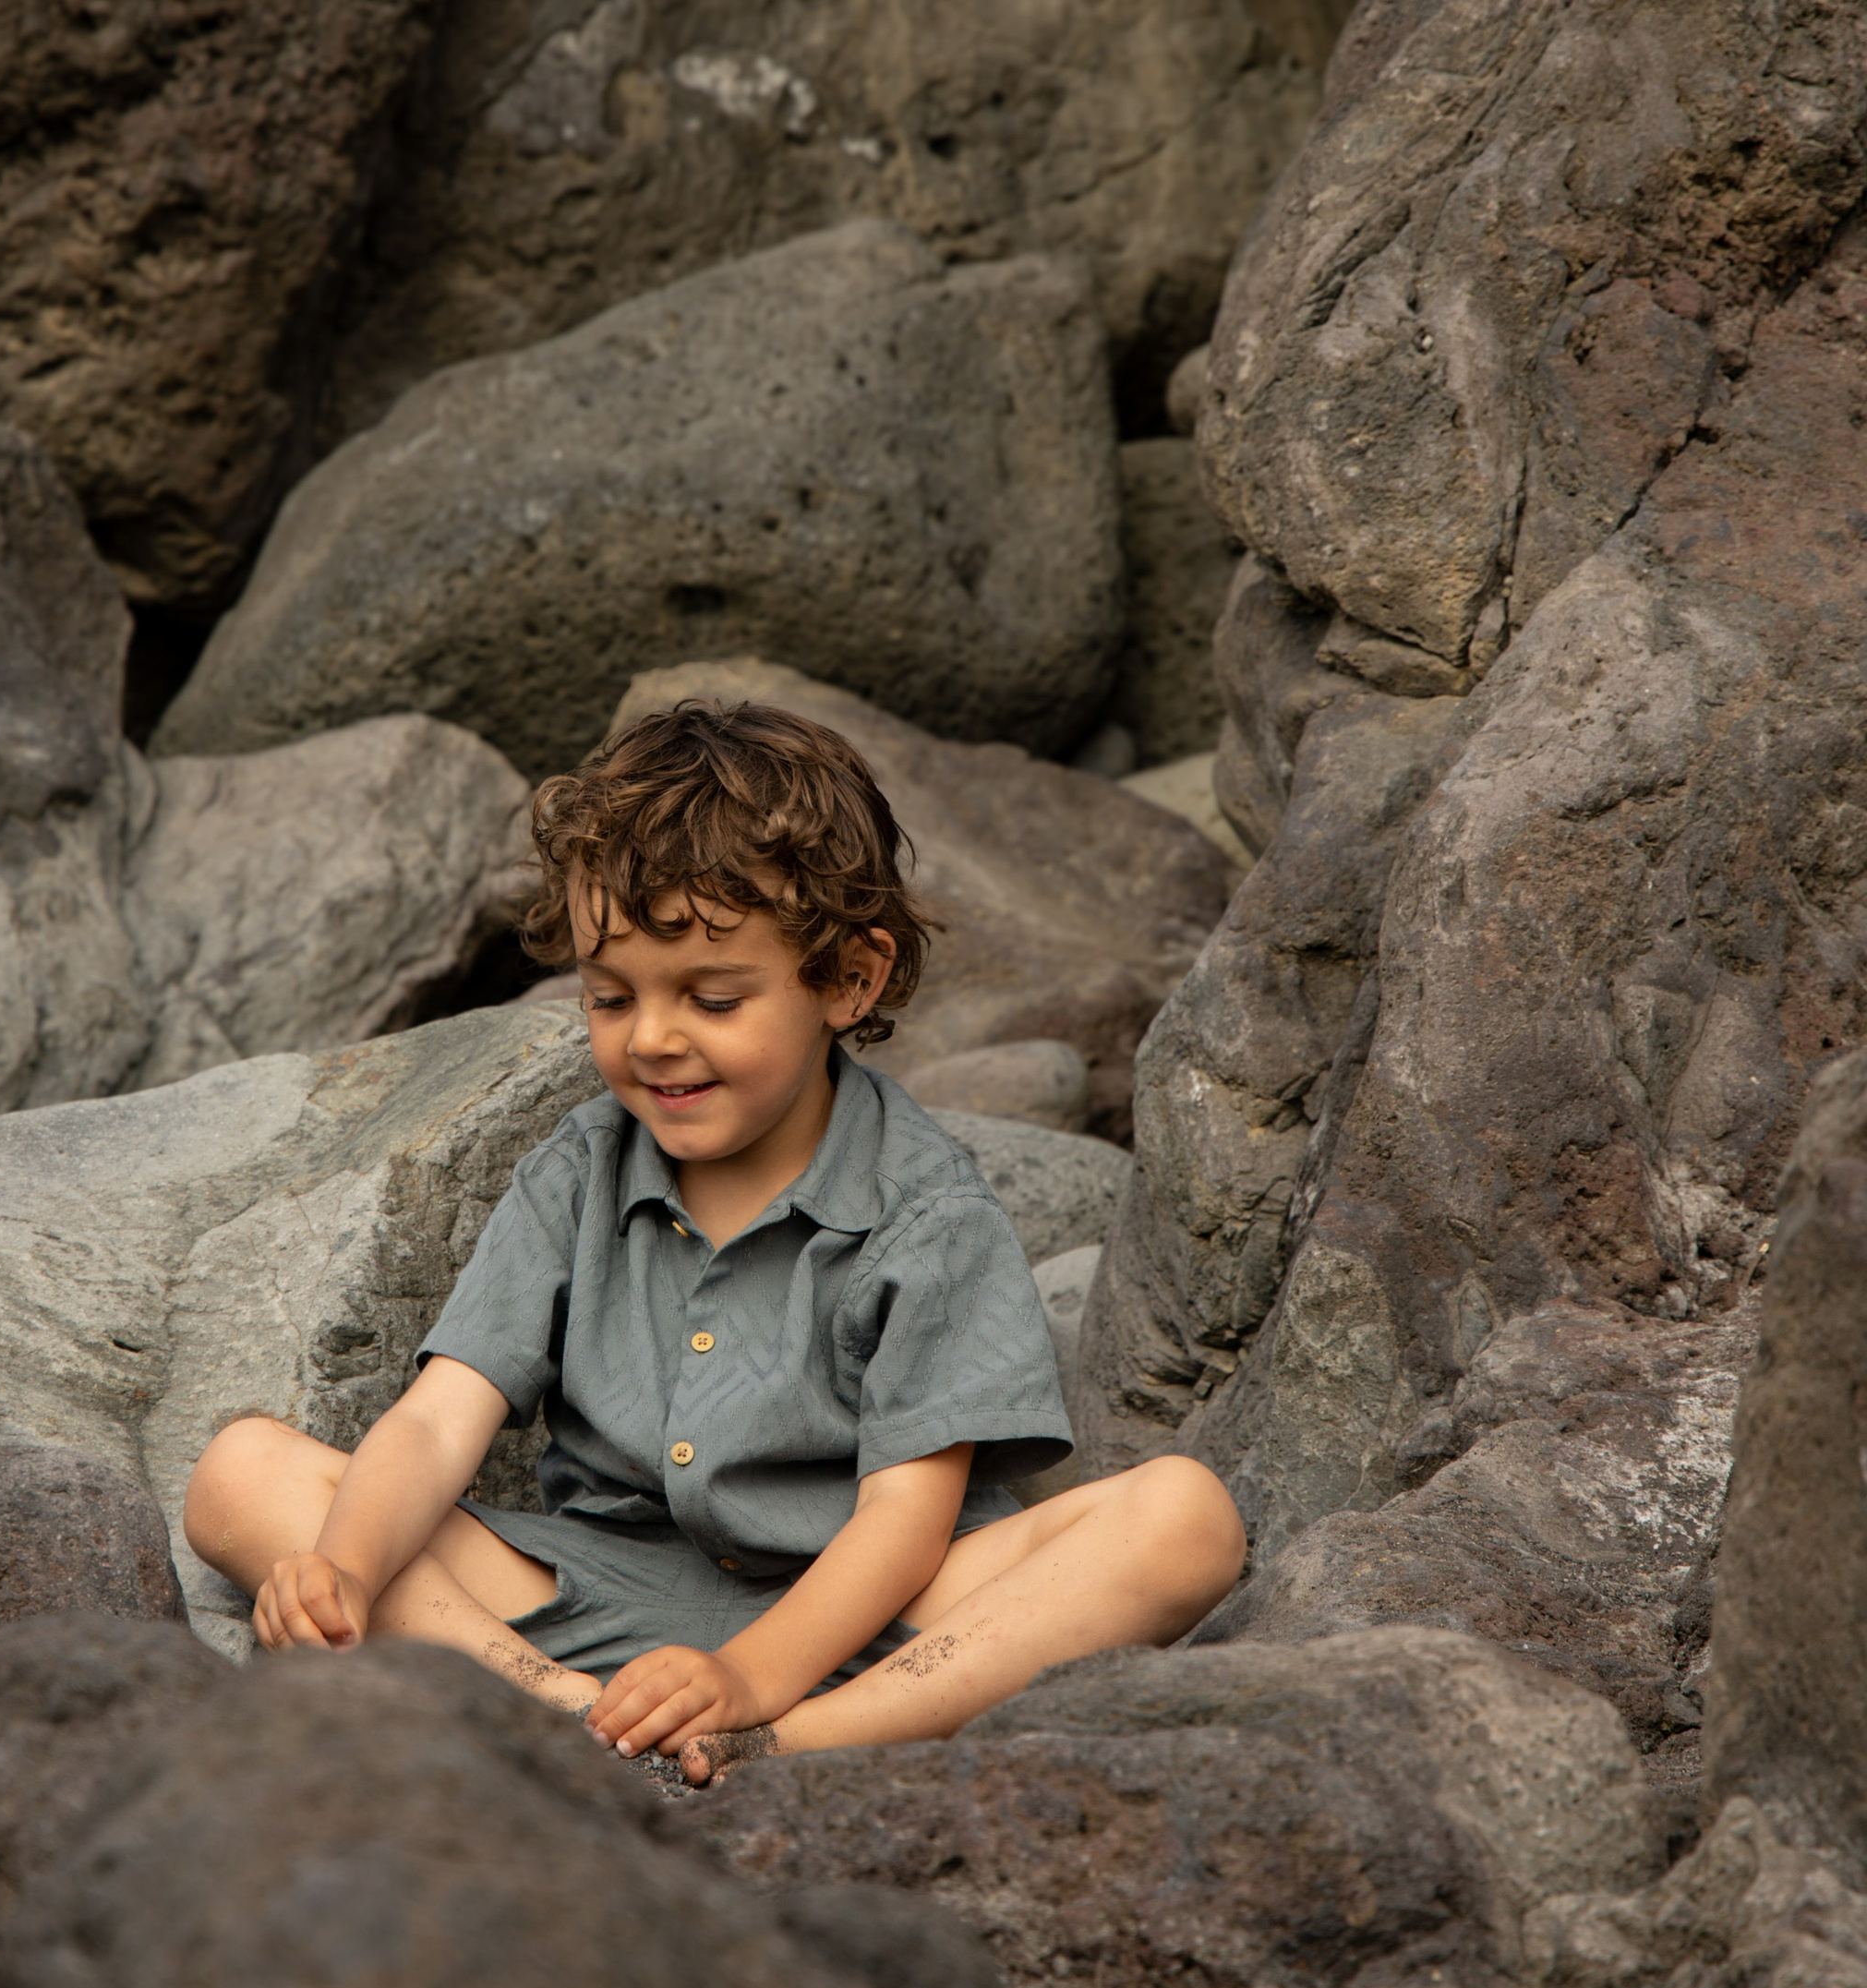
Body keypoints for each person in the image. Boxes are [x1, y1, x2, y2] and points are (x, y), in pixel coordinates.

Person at [184, 698, 1245, 1782]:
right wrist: (345, 1573)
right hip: (596, 1591)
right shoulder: (578, 1170)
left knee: (1184, 1518)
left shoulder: (925, 1210)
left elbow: (902, 1520)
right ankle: (562, 1708)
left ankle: (786, 1745)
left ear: (848, 979)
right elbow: (437, 1422)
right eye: (609, 996)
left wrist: (746, 1679)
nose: (652, 1038)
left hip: (872, 1612)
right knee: (240, 1473)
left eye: (713, 995)